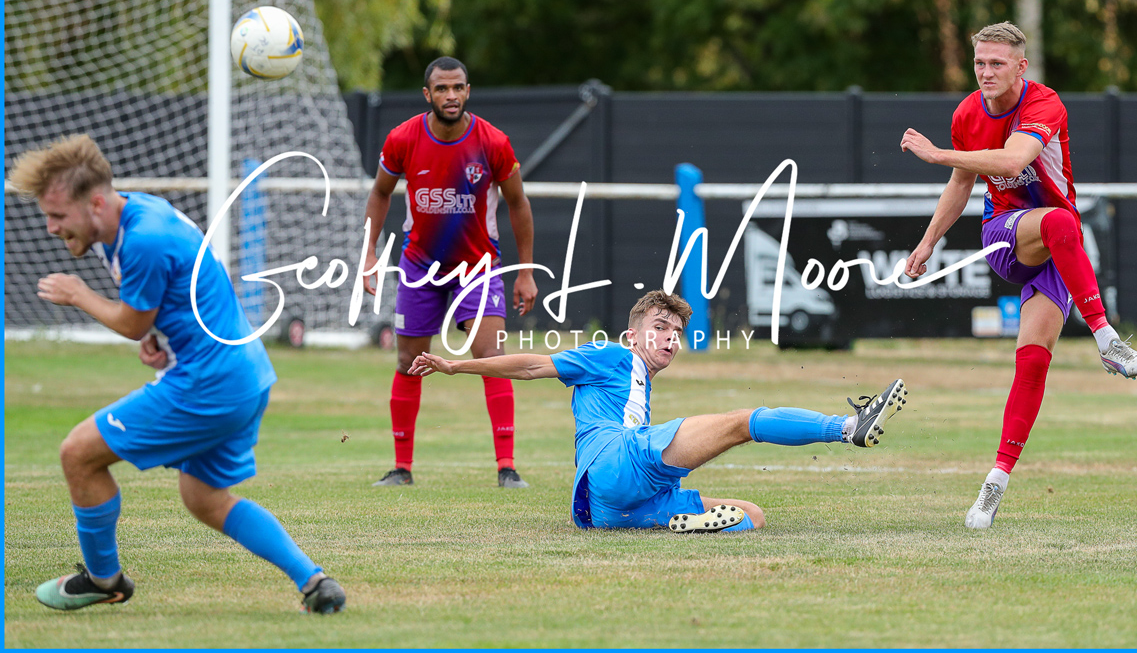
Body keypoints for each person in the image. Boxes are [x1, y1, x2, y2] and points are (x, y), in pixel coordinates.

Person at [10, 135, 345, 613]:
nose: (50, 227)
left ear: (96, 203)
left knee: (78, 454)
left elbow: (131, 322)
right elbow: (175, 292)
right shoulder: (133, 217)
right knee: (204, 497)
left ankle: (104, 580)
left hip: (208, 383)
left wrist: (80, 295)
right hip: (245, 374)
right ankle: (315, 584)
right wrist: (161, 335)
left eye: (58, 215)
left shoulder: (142, 239)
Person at [900, 21, 1137, 531]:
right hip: (1005, 237)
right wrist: (927, 243)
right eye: (979, 62)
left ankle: (994, 484)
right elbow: (961, 183)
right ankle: (1107, 339)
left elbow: (1015, 157)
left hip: (1056, 250)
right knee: (1061, 222)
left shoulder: (1045, 103)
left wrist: (937, 153)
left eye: (996, 63)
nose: (986, 72)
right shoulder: (967, 113)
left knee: (1033, 362)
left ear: (1022, 66)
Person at [408, 290, 908, 532]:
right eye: (660, 326)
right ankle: (848, 426)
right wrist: (456, 365)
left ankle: (673, 523)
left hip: (610, 508)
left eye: (676, 332)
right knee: (742, 422)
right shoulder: (613, 354)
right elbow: (532, 365)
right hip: (615, 459)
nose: (670, 337)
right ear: (633, 335)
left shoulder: (637, 384)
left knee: (753, 516)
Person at [361, 56, 538, 489]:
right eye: (442, 88)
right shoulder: (402, 138)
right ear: (428, 94)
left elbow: (518, 204)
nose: (451, 95)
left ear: (468, 91)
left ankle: (507, 468)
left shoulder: (493, 142)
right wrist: (368, 254)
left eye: (458, 87)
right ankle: (401, 469)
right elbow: (380, 193)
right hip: (420, 266)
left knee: (492, 358)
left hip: (478, 267)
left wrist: (525, 272)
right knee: (409, 362)